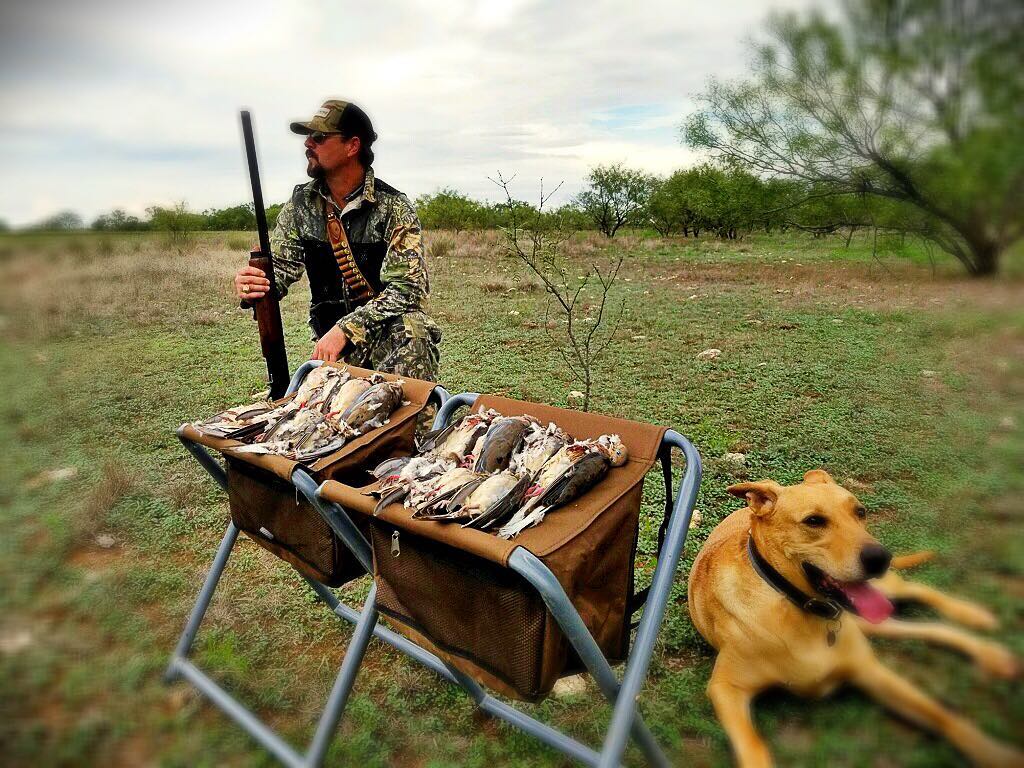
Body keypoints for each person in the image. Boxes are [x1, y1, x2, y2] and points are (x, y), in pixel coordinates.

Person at [233, 99, 441, 382]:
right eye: (308, 137)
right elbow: (280, 271)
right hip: (332, 349)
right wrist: (253, 283)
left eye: (319, 137)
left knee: (414, 329)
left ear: (352, 146)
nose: (308, 143)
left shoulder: (394, 208)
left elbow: (409, 288)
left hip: (388, 342)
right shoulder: (301, 205)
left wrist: (346, 329)